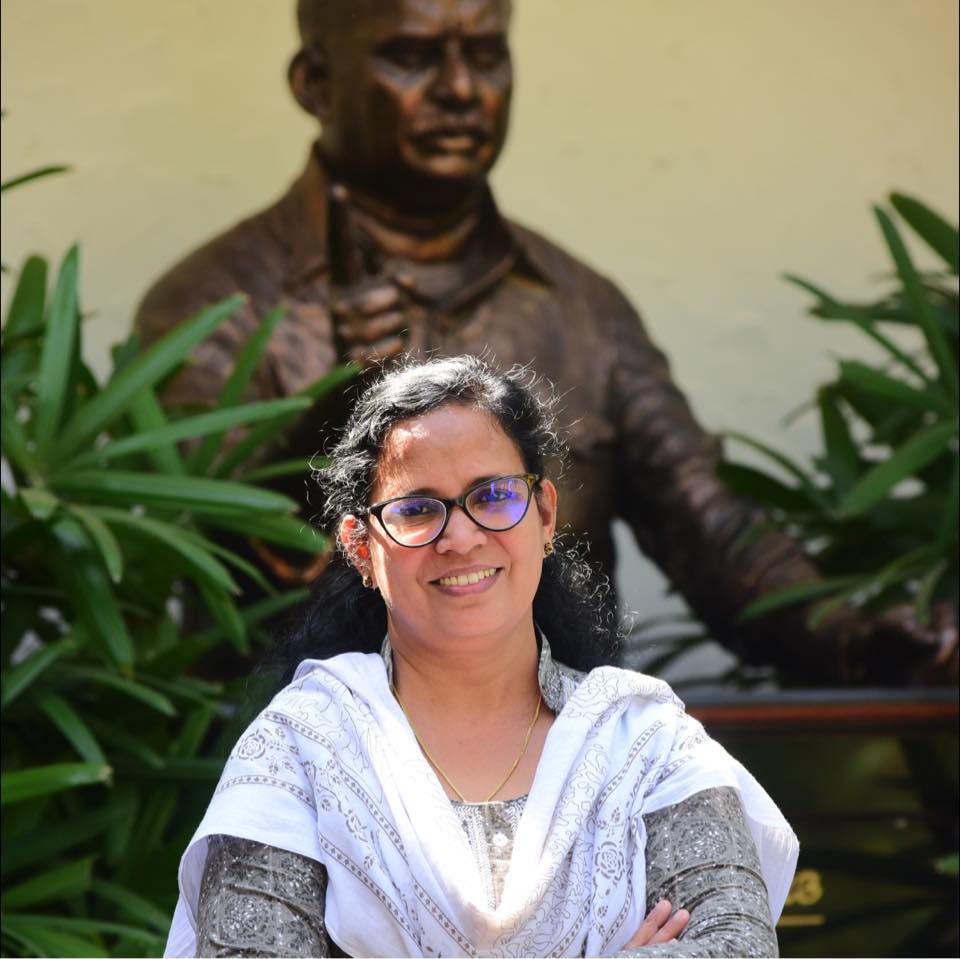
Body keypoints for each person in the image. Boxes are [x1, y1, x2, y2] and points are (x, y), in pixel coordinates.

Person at [135, 0, 954, 687]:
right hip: (305, 796)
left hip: (564, 789)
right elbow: (201, 577)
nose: (460, 90)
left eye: (486, 55)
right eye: (411, 56)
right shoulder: (215, 307)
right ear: (315, 82)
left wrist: (853, 639)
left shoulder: (581, 307)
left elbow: (709, 523)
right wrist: (334, 416)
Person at [164, 356, 798, 958]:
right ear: (360, 547)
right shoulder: (303, 749)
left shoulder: (644, 746)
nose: (461, 537)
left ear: (545, 514)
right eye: (417, 510)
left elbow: (736, 944)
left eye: (492, 495)